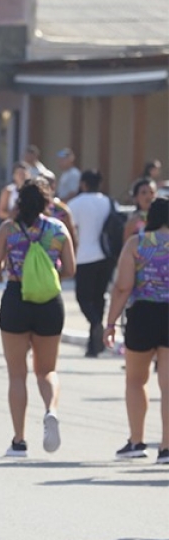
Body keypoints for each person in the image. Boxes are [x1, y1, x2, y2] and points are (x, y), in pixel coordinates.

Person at [0, 181, 76, 458]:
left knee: (17, 374)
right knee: (47, 370)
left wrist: (13, 265)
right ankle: (51, 410)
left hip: (16, 298)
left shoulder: (8, 229)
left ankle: (19, 441)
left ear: (20, 201)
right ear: (47, 202)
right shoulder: (58, 229)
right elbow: (70, 269)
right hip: (49, 303)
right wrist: (45, 276)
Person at [104, 198, 169, 462]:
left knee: (135, 380)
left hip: (142, 315)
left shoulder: (137, 243)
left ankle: (137, 441)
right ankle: (166, 447)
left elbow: (123, 287)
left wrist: (110, 322)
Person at [67, 170, 114, 357]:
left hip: (84, 256)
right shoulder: (108, 202)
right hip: (106, 256)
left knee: (83, 298)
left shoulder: (75, 204)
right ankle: (94, 344)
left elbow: (71, 229)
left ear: (83, 184)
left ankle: (96, 325)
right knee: (99, 297)